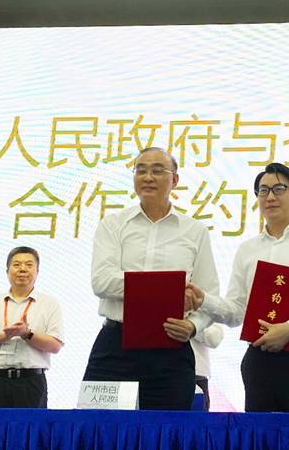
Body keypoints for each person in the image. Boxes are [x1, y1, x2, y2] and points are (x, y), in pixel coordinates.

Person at [187, 162, 289, 412]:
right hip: (260, 359)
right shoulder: (248, 250)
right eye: (263, 191)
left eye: (278, 189)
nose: (270, 197)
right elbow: (236, 312)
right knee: (259, 432)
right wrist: (204, 300)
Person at [83, 147, 219, 410]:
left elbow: (207, 295)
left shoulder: (195, 231)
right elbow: (102, 281)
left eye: (157, 170)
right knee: (101, 427)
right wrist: (169, 289)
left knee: (167, 429)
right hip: (116, 345)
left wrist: (193, 327)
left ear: (174, 180)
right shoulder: (113, 224)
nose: (148, 177)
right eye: (141, 170)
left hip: (172, 346)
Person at [0, 246, 63, 408]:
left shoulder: (49, 304)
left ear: (37, 271)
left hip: (31, 383)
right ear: (7, 271)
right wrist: (6, 335)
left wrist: (27, 334)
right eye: (17, 264)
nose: (22, 269)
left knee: (30, 425)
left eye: (29, 265)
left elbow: (55, 346)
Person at [190, 323, 224, 410]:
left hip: (196, 376)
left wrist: (192, 326)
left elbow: (214, 339)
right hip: (159, 373)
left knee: (197, 418)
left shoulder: (207, 313)